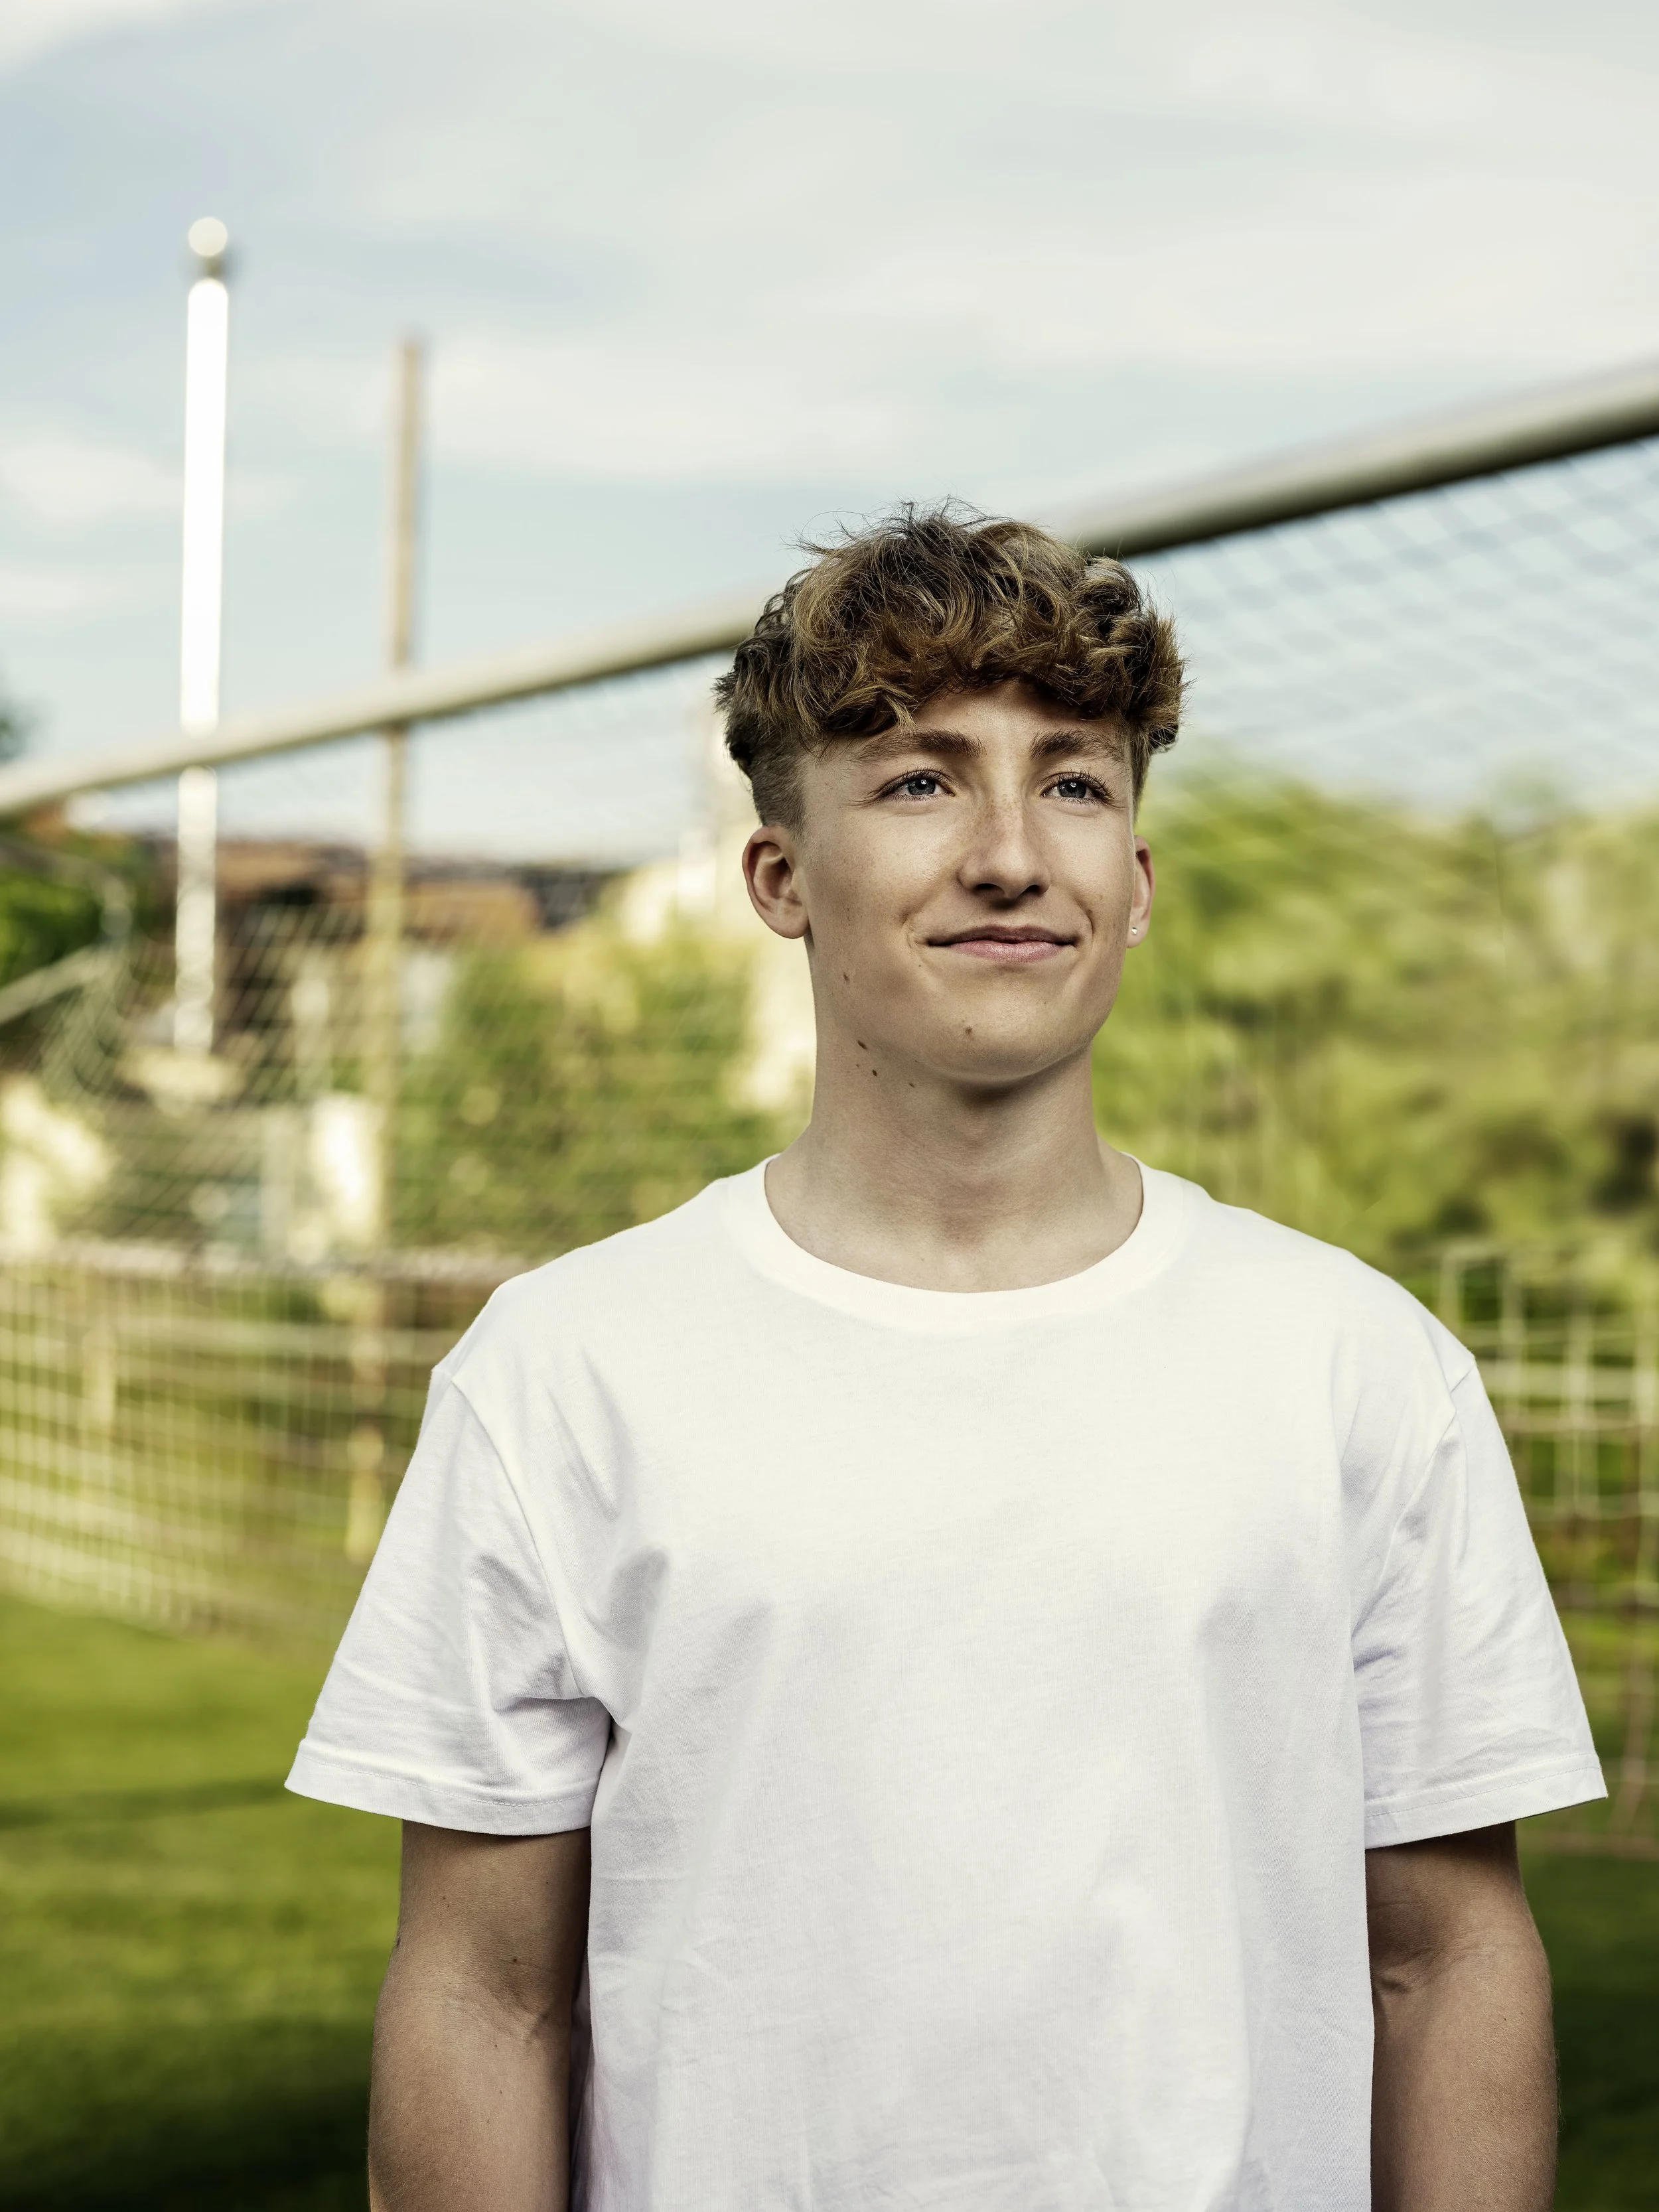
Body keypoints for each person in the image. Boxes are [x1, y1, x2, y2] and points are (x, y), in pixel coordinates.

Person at [288, 506, 1603, 2212]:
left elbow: (1446, 1958)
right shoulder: (564, 1369)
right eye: (918, 780)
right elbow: (485, 1991)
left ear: (1135, 879)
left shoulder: (1358, 1364)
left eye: (1073, 783)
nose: (1008, 853)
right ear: (778, 877)